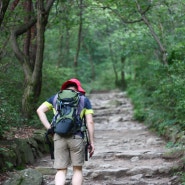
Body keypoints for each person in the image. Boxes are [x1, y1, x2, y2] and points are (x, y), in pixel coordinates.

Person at [36, 78, 95, 185]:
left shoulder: (55, 98)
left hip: (59, 136)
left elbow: (39, 110)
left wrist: (49, 128)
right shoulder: (83, 99)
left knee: (61, 170)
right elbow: (90, 121)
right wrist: (91, 142)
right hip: (77, 137)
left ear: (65, 88)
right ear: (77, 89)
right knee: (77, 169)